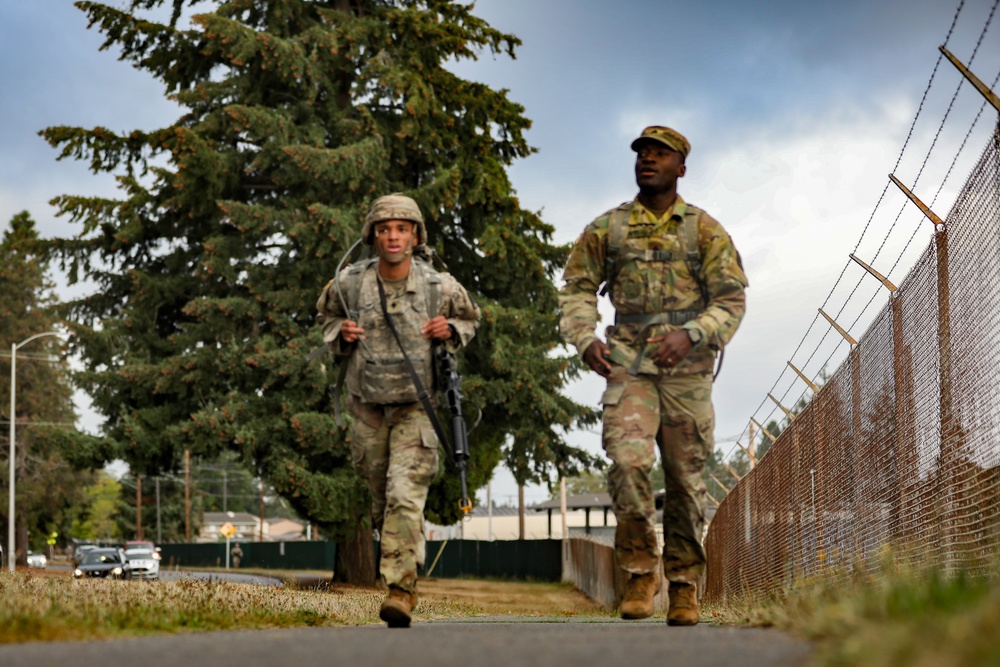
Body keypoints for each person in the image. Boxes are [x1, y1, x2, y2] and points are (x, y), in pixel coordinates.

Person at [558, 126, 747, 626]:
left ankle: (684, 585)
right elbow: (576, 287)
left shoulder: (703, 231)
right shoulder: (610, 229)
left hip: (687, 375)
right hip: (629, 369)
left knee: (686, 483)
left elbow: (731, 299)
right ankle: (641, 573)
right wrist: (585, 339)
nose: (648, 160)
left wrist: (694, 333)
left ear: (680, 167)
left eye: (660, 155)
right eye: (642, 153)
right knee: (627, 464)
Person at [316, 194, 481, 628]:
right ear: (372, 235)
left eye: (402, 228)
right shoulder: (349, 283)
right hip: (367, 406)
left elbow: (471, 320)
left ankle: (399, 591)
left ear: (415, 235)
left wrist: (451, 329)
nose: (393, 236)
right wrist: (342, 333)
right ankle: (397, 563)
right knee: (380, 497)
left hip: (417, 407)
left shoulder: (438, 286)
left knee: (405, 496)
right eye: (385, 228)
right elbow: (325, 320)